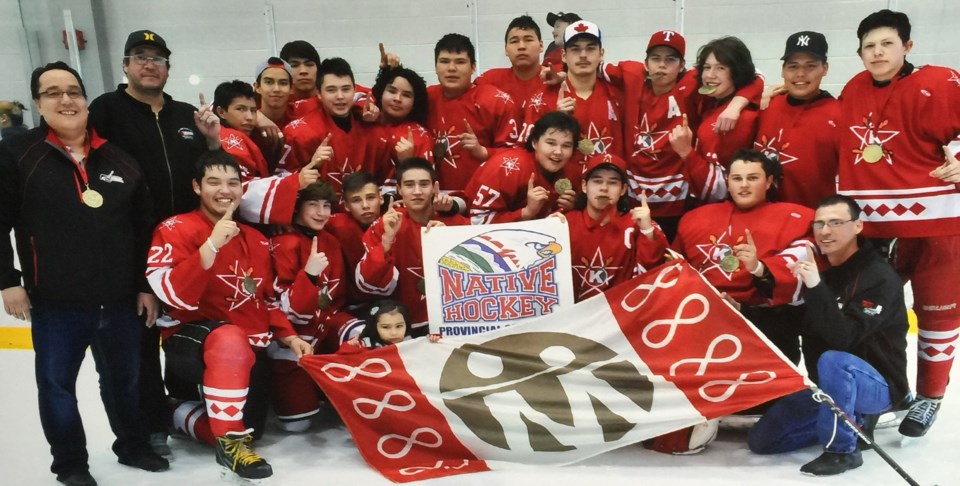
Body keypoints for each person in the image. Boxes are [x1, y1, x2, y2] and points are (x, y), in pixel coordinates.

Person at [0, 61, 168, 486]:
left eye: (73, 91)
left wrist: (145, 286)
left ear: (86, 100)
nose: (65, 100)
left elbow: (143, 229)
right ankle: (71, 464)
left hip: (117, 297)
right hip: (55, 300)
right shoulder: (19, 155)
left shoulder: (119, 159)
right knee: (57, 386)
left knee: (123, 380)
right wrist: (7, 280)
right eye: (53, 92)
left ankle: (132, 445)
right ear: (39, 103)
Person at [87, 29, 223, 455]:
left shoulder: (186, 115)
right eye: (140, 57)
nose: (150, 64)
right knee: (140, 338)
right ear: (125, 66)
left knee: (190, 325)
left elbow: (211, 171)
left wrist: (213, 139)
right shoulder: (106, 110)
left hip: (188, 242)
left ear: (169, 67)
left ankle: (183, 407)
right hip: (131, 244)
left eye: (158, 58)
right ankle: (148, 425)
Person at [146, 151, 312, 482]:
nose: (225, 190)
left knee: (254, 429)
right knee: (229, 338)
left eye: (233, 183)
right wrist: (210, 246)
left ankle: (176, 412)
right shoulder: (175, 228)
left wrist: (290, 336)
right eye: (214, 182)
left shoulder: (257, 240)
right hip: (191, 343)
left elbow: (263, 300)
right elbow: (170, 293)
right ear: (196, 186)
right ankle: (231, 445)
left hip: (247, 351)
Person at [837, 9, 960, 438]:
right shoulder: (853, 89)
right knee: (872, 319)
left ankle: (930, 396)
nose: (877, 52)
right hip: (875, 230)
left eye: (887, 43)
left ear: (907, 46)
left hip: (939, 226)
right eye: (869, 46)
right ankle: (886, 393)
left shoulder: (941, 81)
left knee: (938, 315)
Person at [748, 195, 910, 477]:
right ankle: (853, 421)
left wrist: (815, 286)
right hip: (828, 389)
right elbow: (791, 321)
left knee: (835, 360)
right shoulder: (827, 274)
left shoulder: (879, 277)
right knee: (763, 441)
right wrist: (741, 310)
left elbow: (843, 338)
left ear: (858, 226)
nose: (825, 231)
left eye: (836, 222)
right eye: (819, 223)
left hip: (877, 386)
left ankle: (842, 451)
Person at [600, 30, 762, 240]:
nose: (662, 65)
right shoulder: (632, 74)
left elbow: (754, 76)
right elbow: (586, 63)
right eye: (656, 59)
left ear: (682, 65)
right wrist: (559, 73)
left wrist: (736, 105)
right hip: (634, 200)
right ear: (646, 63)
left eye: (670, 59)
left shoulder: (694, 83)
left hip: (681, 203)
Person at [672, 149, 813, 363]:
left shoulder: (799, 219)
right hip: (704, 321)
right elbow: (674, 271)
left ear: (768, 182)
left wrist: (759, 267)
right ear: (728, 182)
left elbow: (802, 277)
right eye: (737, 178)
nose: (744, 185)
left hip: (767, 324)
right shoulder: (693, 219)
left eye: (753, 178)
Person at [270, 181, 356, 432]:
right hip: (292, 336)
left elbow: (337, 299)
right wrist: (308, 276)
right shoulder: (283, 243)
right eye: (313, 205)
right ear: (297, 208)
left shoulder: (330, 241)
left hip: (325, 325)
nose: (321, 212)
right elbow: (288, 311)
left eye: (326, 205)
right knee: (298, 425)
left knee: (362, 333)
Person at [357, 158, 469, 334]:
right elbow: (367, 284)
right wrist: (387, 239)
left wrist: (449, 240)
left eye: (424, 184)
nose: (417, 191)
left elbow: (477, 276)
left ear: (434, 187)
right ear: (399, 189)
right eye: (409, 185)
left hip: (453, 322)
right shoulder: (384, 225)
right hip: (401, 328)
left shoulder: (457, 223)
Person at [560, 153, 668, 301]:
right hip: (572, 315)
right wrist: (548, 230)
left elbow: (654, 275)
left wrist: (648, 231)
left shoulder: (636, 224)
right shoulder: (564, 223)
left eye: (612, 182)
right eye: (597, 181)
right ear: (585, 186)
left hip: (620, 314)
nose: (604, 188)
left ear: (623, 189)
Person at [669, 36, 762, 204]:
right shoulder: (712, 101)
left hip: (717, 209)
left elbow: (720, 190)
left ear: (737, 72)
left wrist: (686, 152)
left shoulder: (739, 120)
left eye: (721, 68)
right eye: (707, 67)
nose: (710, 75)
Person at [523, 20, 625, 169]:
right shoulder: (542, 98)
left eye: (590, 49)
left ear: (601, 54)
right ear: (564, 55)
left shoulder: (619, 94)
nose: (583, 55)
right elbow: (528, 150)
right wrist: (555, 122)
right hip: (562, 189)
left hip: (607, 186)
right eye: (575, 49)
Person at [754, 31, 840, 208]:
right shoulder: (766, 106)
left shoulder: (839, 113)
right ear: (782, 70)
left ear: (825, 68)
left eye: (810, 66)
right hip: (763, 216)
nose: (800, 73)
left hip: (812, 219)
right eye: (793, 66)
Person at [427, 33, 522, 192]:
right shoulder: (424, 98)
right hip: (433, 199)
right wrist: (389, 71)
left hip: (484, 197)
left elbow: (517, 156)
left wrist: (483, 152)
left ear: (473, 67)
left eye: (460, 62)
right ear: (435, 66)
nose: (451, 68)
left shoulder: (496, 102)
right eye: (444, 61)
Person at [283, 57, 389, 193]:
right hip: (319, 212)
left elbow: (387, 180)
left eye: (346, 89)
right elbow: (283, 183)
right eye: (331, 90)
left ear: (354, 90)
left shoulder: (374, 132)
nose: (340, 96)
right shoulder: (298, 134)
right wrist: (311, 166)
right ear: (319, 93)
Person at [465, 111, 580, 224]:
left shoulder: (571, 172)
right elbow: (478, 221)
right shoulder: (507, 168)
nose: (558, 152)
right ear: (535, 143)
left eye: (566, 146)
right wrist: (526, 212)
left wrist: (569, 209)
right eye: (551, 143)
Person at [370, 65, 433, 192]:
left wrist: (407, 161)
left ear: (415, 103)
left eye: (406, 95)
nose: (397, 99)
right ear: (381, 92)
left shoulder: (420, 137)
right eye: (392, 91)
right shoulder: (362, 123)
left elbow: (425, 189)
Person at [476, 15, 545, 109]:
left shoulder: (558, 77)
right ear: (506, 49)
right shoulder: (489, 80)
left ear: (541, 46)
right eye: (514, 41)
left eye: (528, 40)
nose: (521, 46)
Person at [212, 80, 270, 180]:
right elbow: (244, 186)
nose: (250, 117)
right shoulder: (229, 137)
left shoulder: (254, 135)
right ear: (221, 112)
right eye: (241, 109)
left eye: (253, 111)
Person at [252, 57, 294, 172]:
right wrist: (256, 116)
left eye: (283, 83)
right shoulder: (246, 120)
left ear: (291, 88)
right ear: (257, 87)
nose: (276, 89)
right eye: (269, 82)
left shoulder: (300, 113)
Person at [341, 300, 412, 352]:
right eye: (386, 327)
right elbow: (342, 359)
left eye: (399, 326)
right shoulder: (364, 344)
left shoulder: (414, 345)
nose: (394, 333)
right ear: (374, 327)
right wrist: (350, 347)